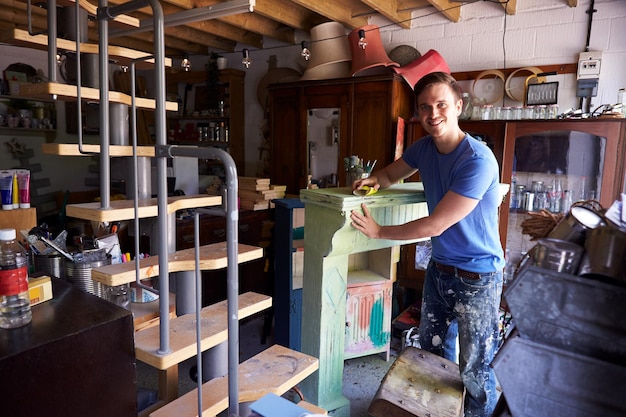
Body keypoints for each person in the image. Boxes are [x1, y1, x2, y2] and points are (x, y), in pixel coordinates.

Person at [350, 71, 504, 417]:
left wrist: (378, 233)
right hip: (441, 269)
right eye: (424, 107)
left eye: (441, 105)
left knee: (475, 369)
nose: (432, 114)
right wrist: (374, 180)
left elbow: (437, 223)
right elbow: (390, 174)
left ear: (458, 106)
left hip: (478, 276)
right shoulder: (423, 147)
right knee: (433, 357)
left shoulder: (477, 160)